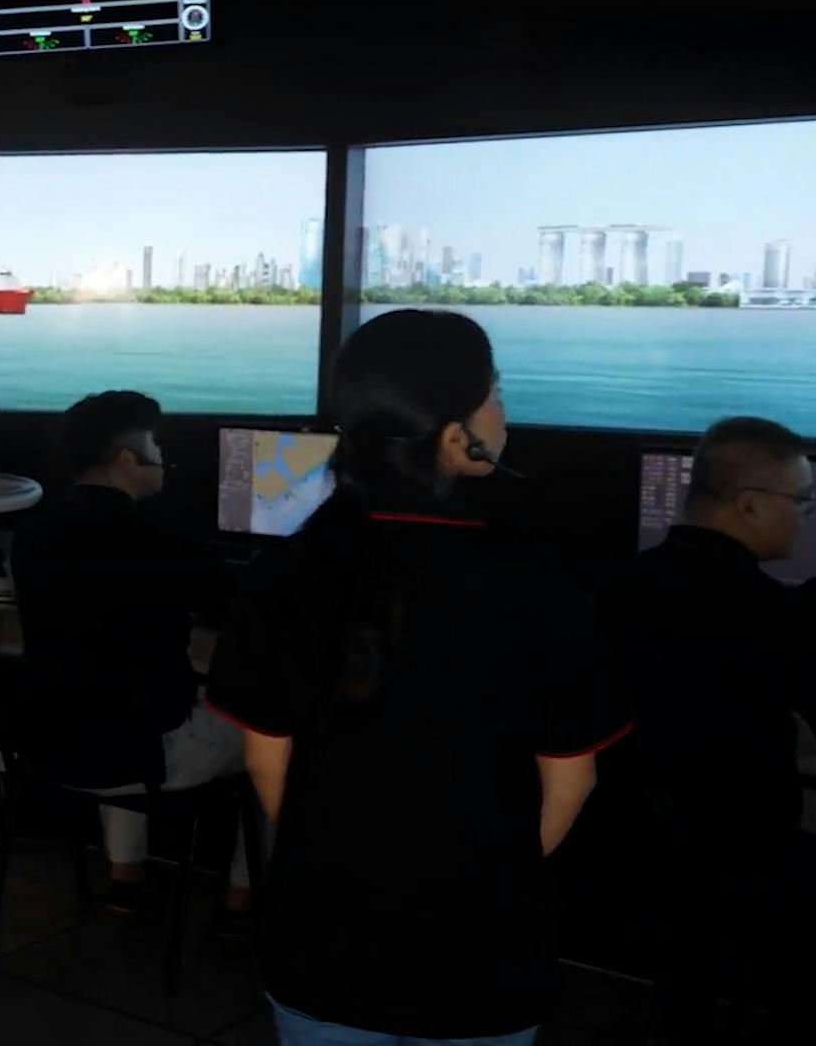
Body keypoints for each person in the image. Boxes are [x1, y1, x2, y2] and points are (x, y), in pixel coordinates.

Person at [206, 310, 630, 1046]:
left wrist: (341, 867)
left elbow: (267, 763)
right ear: (455, 435)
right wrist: (477, 883)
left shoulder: (288, 571)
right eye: (495, 392)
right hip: (482, 959)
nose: (503, 413)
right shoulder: (537, 584)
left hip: (321, 945)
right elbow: (571, 780)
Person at [604, 416, 816, 1043]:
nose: (805, 517)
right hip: (742, 865)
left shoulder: (612, 585)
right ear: (749, 505)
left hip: (628, 852)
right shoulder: (775, 612)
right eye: (802, 500)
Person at [8, 391, 250, 927]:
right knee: (276, 733)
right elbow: (235, 604)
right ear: (125, 458)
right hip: (145, 751)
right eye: (156, 448)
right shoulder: (157, 538)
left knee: (108, 698)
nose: (164, 459)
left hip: (54, 742)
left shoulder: (33, 532)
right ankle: (241, 901)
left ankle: (126, 879)